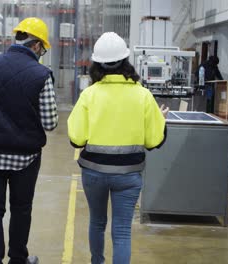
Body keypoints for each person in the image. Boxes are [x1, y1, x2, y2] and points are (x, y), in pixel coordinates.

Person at [67, 32, 168, 264]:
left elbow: (76, 138)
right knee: (122, 230)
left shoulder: (89, 95)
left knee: (97, 222)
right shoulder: (143, 95)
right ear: (126, 61)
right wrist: (160, 120)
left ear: (97, 64)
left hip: (93, 172)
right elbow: (155, 140)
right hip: (128, 175)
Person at [0, 17, 58, 264]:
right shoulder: (41, 74)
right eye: (43, 48)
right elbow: (50, 122)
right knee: (21, 210)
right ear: (36, 45)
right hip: (25, 158)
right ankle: (18, 259)